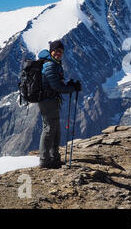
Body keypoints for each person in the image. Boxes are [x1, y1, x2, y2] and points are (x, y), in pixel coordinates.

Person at [37, 40, 82, 169]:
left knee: (55, 128)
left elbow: (56, 84)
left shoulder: (53, 63)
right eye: (56, 51)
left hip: (50, 100)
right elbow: (56, 86)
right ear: (51, 51)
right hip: (47, 101)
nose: (58, 53)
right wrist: (72, 88)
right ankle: (45, 160)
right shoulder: (50, 65)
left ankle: (54, 158)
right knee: (49, 129)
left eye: (61, 51)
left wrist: (69, 86)